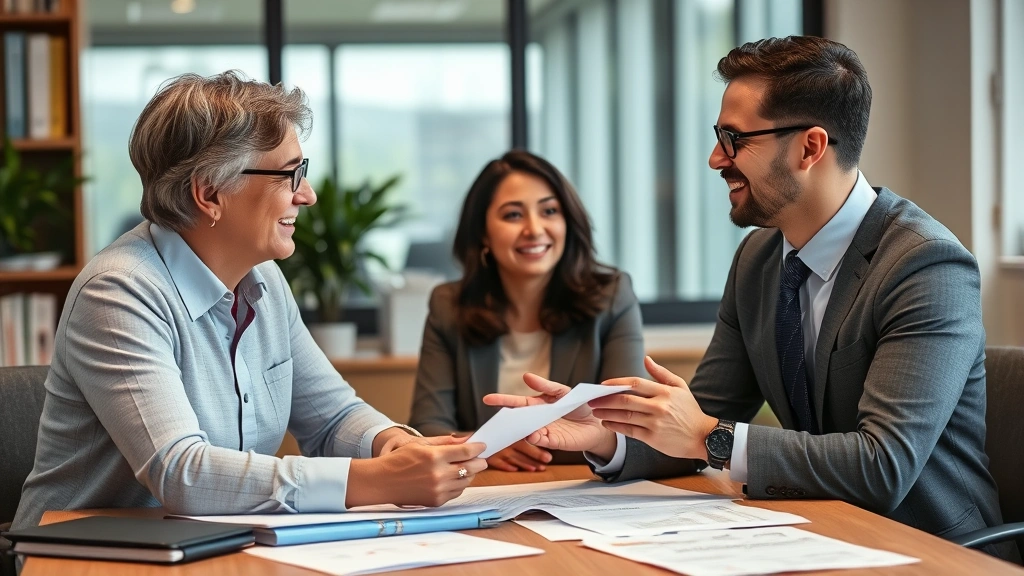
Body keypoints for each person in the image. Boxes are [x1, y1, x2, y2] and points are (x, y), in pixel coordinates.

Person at [484, 36, 1015, 560]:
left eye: (735, 139)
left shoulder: (924, 265)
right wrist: (604, 436)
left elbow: (882, 465)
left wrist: (708, 436)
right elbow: (705, 415)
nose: (717, 158)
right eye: (719, 136)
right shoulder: (759, 259)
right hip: (818, 532)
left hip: (934, 550)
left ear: (810, 147)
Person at [12, 71, 486, 530]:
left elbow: (333, 417)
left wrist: (397, 448)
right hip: (86, 556)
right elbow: (181, 473)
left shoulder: (265, 281)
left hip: (211, 544)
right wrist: (373, 480)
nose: (308, 195)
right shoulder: (119, 291)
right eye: (289, 174)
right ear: (210, 193)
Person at [408, 150, 647, 472]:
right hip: (486, 491)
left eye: (549, 210)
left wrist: (489, 442)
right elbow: (426, 428)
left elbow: (631, 426)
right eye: (513, 215)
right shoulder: (448, 305)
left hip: (582, 489)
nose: (534, 229)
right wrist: (484, 449)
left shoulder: (612, 296)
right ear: (482, 233)